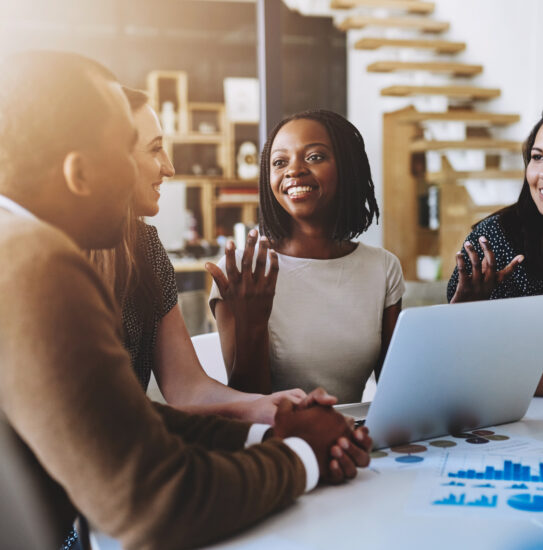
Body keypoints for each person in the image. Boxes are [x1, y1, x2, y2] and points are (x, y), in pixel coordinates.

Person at [0, 51, 372, 550]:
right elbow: (160, 502)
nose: (168, 168)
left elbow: (125, 416)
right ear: (80, 174)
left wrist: (265, 434)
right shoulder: (35, 262)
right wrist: (302, 456)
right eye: (130, 147)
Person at [88, 87, 305, 425]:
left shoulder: (146, 247)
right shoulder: (45, 259)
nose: (170, 168)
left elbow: (187, 387)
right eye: (156, 149)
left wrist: (263, 405)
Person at [207, 110, 405, 403]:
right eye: (280, 162)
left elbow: (397, 393)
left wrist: (461, 310)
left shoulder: (382, 268)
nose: (294, 170)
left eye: (314, 157)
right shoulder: (242, 271)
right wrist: (254, 322)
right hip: (275, 443)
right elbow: (247, 407)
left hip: (353, 439)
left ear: (346, 167)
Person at [447, 107, 543, 396]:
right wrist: (464, 313)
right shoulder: (494, 238)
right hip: (508, 413)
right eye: (538, 157)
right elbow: (468, 360)